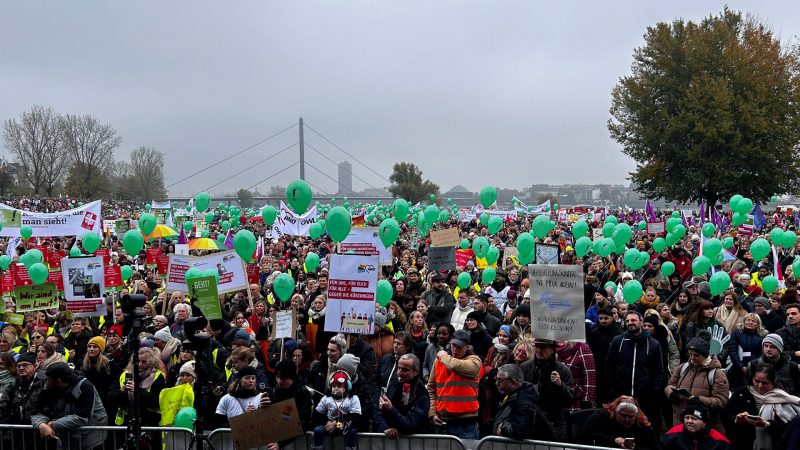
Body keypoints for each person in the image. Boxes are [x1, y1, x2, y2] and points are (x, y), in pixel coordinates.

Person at [605, 311, 664, 434]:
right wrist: (612, 388)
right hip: (621, 394)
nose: (630, 323)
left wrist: (653, 391)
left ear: (641, 323)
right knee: (620, 426)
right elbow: (609, 365)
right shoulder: (618, 341)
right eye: (627, 321)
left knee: (641, 429)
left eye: (633, 320)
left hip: (644, 397)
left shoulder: (653, 344)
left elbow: (658, 370)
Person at [31, 362, 108, 450]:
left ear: (58, 380)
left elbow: (82, 417)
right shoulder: (48, 389)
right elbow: (36, 412)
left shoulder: (85, 386)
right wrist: (41, 425)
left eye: (48, 379)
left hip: (90, 439)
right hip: (66, 439)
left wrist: (53, 424)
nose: (45, 381)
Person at [724, 362, 800, 450]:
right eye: (756, 381)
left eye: (765, 383)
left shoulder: (783, 399)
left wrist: (767, 424)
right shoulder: (741, 393)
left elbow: (789, 430)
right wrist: (736, 420)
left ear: (773, 382)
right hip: (741, 444)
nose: (760, 386)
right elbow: (725, 416)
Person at [427, 329, 483, 440]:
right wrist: (432, 413)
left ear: (467, 347)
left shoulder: (474, 361)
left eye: (459, 347)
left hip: (466, 423)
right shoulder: (439, 362)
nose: (455, 350)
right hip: (442, 421)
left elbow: (454, 365)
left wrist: (442, 356)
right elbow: (431, 389)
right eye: (453, 345)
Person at [664, 336, 729, 431]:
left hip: (704, 425)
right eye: (690, 354)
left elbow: (721, 401)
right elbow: (670, 385)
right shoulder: (683, 367)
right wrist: (673, 394)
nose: (692, 358)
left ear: (706, 355)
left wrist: (697, 400)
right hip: (680, 421)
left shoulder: (717, 374)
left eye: (696, 355)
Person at [520, 338, 575, 441]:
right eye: (537, 346)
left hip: (554, 425)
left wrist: (560, 385)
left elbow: (570, 400)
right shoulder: (525, 367)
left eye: (543, 347)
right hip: (531, 425)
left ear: (552, 350)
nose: (538, 350)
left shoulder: (563, 370)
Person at [373, 354, 431, 439]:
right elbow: (377, 408)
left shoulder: (421, 394)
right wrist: (384, 428)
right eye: (398, 368)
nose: (399, 372)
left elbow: (410, 425)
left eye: (405, 370)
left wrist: (391, 409)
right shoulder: (394, 383)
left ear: (415, 372)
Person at [491, 364, 554, 440]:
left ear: (513, 383)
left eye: (500, 380)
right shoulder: (511, 394)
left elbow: (519, 430)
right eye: (496, 379)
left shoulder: (524, 401)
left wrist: (503, 427)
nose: (496, 384)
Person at [581, 395, 660, 450]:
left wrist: (634, 448)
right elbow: (585, 434)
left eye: (630, 416)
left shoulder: (642, 423)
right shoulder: (602, 416)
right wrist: (613, 440)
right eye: (623, 415)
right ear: (615, 412)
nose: (626, 420)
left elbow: (654, 448)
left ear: (636, 415)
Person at [313, 370, 361, 450]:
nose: (336, 388)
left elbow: (355, 417)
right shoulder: (326, 398)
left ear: (346, 387)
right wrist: (326, 422)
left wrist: (337, 423)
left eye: (339, 386)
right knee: (317, 430)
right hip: (329, 423)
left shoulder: (353, 398)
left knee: (352, 431)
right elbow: (317, 414)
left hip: (344, 425)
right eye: (334, 386)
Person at [662, 400, 732, 450]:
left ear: (704, 422)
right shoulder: (672, 435)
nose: (689, 421)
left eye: (694, 418)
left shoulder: (720, 442)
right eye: (687, 418)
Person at [588, 307, 623, 402]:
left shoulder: (619, 334)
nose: (603, 321)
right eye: (600, 318)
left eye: (606, 318)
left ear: (612, 318)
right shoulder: (594, 332)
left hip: (614, 373)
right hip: (598, 371)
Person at [728, 313, 766, 390]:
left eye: (753, 321)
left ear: (758, 324)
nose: (750, 322)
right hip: (738, 367)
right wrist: (741, 366)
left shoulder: (762, 335)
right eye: (748, 320)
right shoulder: (737, 333)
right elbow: (733, 351)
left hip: (756, 368)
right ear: (744, 321)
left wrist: (754, 367)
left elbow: (762, 353)